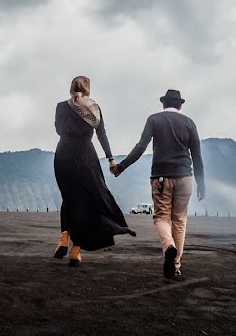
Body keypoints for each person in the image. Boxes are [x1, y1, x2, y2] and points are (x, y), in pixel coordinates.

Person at [112, 89, 205, 278]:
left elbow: (140, 147)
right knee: (179, 221)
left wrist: (122, 166)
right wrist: (201, 183)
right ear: (180, 105)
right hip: (185, 177)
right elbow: (197, 155)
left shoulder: (154, 120)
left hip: (161, 178)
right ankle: (176, 265)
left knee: (162, 218)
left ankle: (168, 246)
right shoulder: (189, 123)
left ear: (163, 104)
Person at [53, 76, 135, 267]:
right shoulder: (94, 109)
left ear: (71, 89)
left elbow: (58, 129)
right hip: (86, 157)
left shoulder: (61, 106)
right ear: (88, 90)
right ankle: (75, 251)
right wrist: (111, 159)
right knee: (86, 202)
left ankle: (64, 237)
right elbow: (101, 134)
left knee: (69, 197)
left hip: (63, 154)